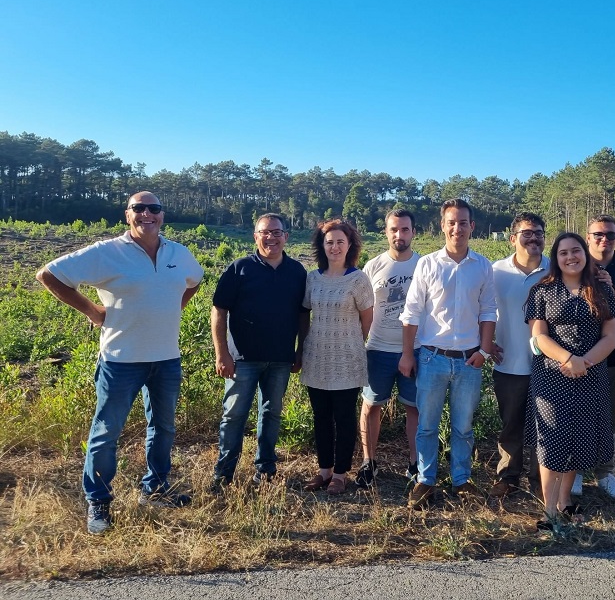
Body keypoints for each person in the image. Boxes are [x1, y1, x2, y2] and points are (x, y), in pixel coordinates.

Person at [36, 191, 203, 534]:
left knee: (163, 428)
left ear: (162, 215)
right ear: (127, 215)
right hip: (120, 361)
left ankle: (154, 490)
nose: (147, 214)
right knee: (106, 433)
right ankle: (98, 502)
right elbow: (49, 275)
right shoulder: (106, 252)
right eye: (138, 208)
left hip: (166, 359)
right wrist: (93, 312)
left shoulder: (178, 253)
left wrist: (173, 308)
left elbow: (195, 282)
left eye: (153, 208)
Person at [399, 199, 498, 508]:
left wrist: (484, 349)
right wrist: (407, 355)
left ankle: (461, 480)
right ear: (442, 226)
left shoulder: (482, 265)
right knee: (427, 425)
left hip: (469, 361)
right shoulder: (427, 264)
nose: (458, 228)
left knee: (463, 427)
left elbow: (489, 310)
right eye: (452, 222)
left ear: (472, 226)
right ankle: (425, 481)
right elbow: (411, 313)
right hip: (431, 358)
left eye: (463, 222)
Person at [525, 233, 615, 531]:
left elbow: (611, 337)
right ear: (556, 257)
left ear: (585, 254)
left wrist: (585, 362)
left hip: (591, 375)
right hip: (552, 374)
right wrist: (569, 360)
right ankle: (549, 510)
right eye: (564, 252)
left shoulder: (603, 290)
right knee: (552, 440)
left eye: (576, 251)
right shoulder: (542, 290)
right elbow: (538, 336)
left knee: (577, 439)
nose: (570, 257)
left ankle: (565, 502)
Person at [210, 213, 308, 492]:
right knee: (234, 415)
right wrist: (222, 354)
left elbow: (303, 315)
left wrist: (300, 350)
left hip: (280, 358)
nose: (271, 237)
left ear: (286, 237)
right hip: (242, 359)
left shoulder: (297, 271)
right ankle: (224, 474)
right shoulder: (239, 268)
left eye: (277, 232)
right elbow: (219, 310)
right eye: (265, 232)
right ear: (256, 236)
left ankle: (265, 470)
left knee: (271, 413)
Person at [299, 218, 374, 495]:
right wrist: (302, 347)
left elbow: (368, 322)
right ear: (322, 245)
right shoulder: (312, 279)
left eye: (340, 241)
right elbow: (304, 313)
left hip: (347, 360)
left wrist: (356, 347)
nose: (334, 247)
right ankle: (323, 471)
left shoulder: (358, 279)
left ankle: (341, 475)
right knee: (321, 418)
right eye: (329, 242)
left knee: (344, 419)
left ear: (350, 244)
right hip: (317, 358)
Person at [572, 214, 615, 499]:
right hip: (582, 355)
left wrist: (611, 289)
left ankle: (605, 471)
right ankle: (575, 470)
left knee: (610, 416)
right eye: (598, 235)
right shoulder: (575, 264)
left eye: (610, 235)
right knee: (577, 414)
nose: (604, 240)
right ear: (587, 237)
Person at [355, 209, 422, 489]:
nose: (399, 235)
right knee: (371, 406)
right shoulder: (373, 266)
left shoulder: (424, 265)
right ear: (386, 232)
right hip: (378, 348)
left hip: (416, 349)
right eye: (394, 229)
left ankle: (415, 464)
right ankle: (368, 463)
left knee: (414, 409)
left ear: (413, 232)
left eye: (405, 229)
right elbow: (363, 309)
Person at [488, 212, 549, 498]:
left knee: (545, 425)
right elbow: (482, 309)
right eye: (527, 232)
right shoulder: (495, 271)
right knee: (510, 423)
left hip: (548, 365)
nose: (533, 237)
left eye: (538, 232)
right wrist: (485, 342)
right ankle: (508, 475)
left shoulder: (555, 269)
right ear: (513, 238)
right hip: (508, 362)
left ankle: (541, 479)